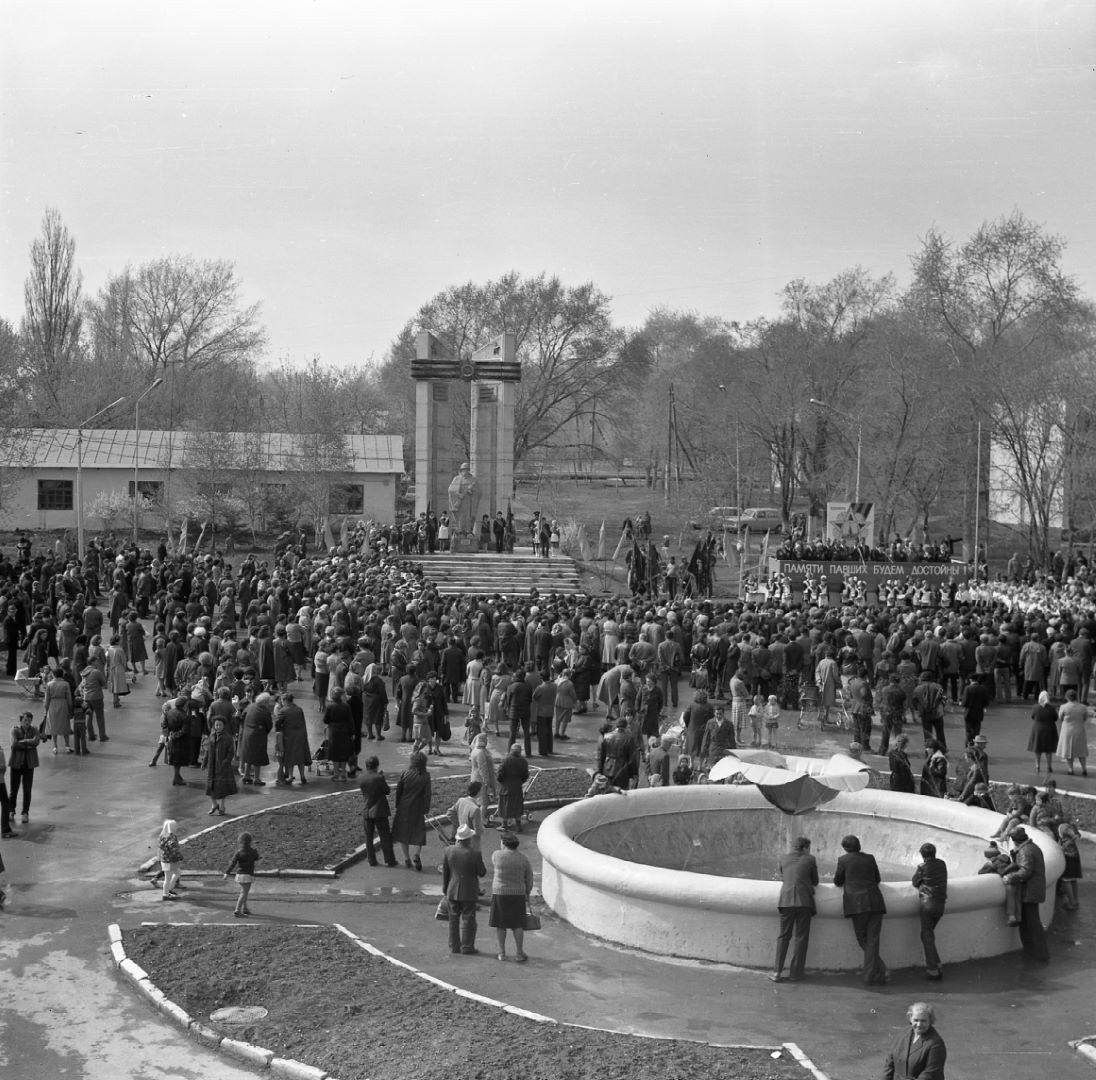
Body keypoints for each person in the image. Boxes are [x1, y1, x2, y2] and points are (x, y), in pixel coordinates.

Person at [833, 834, 888, 985]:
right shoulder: (870, 858)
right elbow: (877, 879)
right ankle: (876, 972)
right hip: (876, 901)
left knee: (862, 939)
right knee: (873, 940)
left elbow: (837, 881)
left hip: (857, 904)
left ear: (845, 848)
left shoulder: (843, 860)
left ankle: (877, 972)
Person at [770, 836, 818, 983]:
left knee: (783, 936)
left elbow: (784, 877)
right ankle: (796, 974)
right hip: (804, 902)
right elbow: (815, 881)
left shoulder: (783, 858)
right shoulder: (810, 859)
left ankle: (777, 972)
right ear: (805, 848)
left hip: (786, 901)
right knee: (801, 938)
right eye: (808, 848)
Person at [1002, 826, 1049, 961]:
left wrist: (1010, 877)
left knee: (1031, 924)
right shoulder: (1032, 847)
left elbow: (1025, 871)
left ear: (1014, 840)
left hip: (1029, 891)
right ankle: (1036, 953)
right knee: (1031, 923)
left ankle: (1038, 954)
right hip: (1033, 890)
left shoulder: (1025, 851)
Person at [442, 822, 487, 955]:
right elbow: (482, 872)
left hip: (452, 889)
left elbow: (446, 872)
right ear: (468, 839)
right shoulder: (475, 853)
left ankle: (454, 946)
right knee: (468, 918)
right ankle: (467, 947)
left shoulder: (448, 851)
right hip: (469, 891)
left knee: (453, 919)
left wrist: (445, 889)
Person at [490, 831, 534, 962]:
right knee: (517, 925)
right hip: (518, 894)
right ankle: (519, 953)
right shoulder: (523, 859)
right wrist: (527, 892)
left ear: (503, 843)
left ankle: (502, 953)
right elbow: (529, 878)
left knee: (501, 924)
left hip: (500, 893)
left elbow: (495, 862)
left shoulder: (497, 855)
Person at [882, 1001, 947, 1080]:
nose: (919, 1024)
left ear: (930, 1021)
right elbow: (890, 1061)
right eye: (916, 1020)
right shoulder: (903, 1034)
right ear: (910, 1019)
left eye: (923, 1021)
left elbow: (930, 1075)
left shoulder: (936, 1044)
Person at [911, 842, 947, 980]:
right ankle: (937, 964)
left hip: (927, 904)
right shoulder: (942, 864)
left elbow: (915, 881)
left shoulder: (922, 867)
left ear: (922, 855)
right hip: (940, 904)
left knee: (927, 936)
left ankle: (933, 970)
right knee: (928, 935)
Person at [392, 750, 431, 870]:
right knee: (419, 831)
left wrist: (397, 804)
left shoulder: (405, 773)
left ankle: (407, 858)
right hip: (418, 807)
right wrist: (426, 808)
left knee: (404, 833)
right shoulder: (425, 776)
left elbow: (399, 790)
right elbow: (427, 794)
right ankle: (416, 854)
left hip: (404, 806)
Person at [359, 756, 398, 868]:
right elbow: (387, 791)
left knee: (368, 837)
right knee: (385, 836)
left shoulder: (361, 777)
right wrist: (381, 777)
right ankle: (390, 860)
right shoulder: (379, 778)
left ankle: (371, 860)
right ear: (376, 765)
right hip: (379, 811)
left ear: (366, 766)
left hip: (367, 810)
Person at [9, 712, 40, 825]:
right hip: (16, 763)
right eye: (26, 720)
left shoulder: (34, 730)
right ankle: (11, 811)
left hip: (29, 764)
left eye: (29, 720)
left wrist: (24, 741)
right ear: (21, 720)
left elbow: (36, 741)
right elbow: (14, 744)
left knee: (27, 790)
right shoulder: (15, 730)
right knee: (14, 789)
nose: (28, 723)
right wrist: (29, 745)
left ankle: (25, 813)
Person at [203, 715, 237, 816]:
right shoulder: (212, 736)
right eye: (216, 725)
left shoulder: (228, 738)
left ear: (224, 726)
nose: (218, 727)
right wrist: (204, 762)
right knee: (210, 787)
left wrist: (225, 762)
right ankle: (214, 805)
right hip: (212, 766)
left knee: (223, 788)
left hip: (222, 766)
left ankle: (222, 806)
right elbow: (207, 751)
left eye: (220, 725)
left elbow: (231, 752)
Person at [223, 831, 260, 917]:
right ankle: (237, 910)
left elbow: (233, 863)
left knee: (244, 892)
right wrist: (255, 852)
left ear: (240, 842)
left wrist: (226, 873)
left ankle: (245, 908)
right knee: (244, 893)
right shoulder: (253, 851)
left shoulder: (238, 852)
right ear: (250, 841)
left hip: (239, 875)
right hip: (248, 875)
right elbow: (257, 858)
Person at [496, 743, 530, 832]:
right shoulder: (523, 761)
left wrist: (501, 781)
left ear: (511, 750)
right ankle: (519, 826)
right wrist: (520, 781)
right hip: (517, 787)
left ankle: (504, 825)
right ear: (520, 751)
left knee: (505, 806)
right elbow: (526, 775)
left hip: (506, 786)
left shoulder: (505, 760)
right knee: (517, 806)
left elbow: (500, 774)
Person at [1055, 688, 1088, 776]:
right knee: (1081, 751)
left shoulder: (1063, 707)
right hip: (1079, 730)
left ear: (1067, 697)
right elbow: (1085, 718)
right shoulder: (1083, 707)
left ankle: (1070, 769)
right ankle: (1084, 769)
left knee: (1068, 750)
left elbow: (1060, 718)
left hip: (1067, 731)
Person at [1028, 691, 1058, 774]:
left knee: (1037, 749)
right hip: (1049, 729)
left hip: (1038, 729)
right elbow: (1055, 718)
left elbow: (1032, 716)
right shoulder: (1052, 708)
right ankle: (1049, 766)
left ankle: (1037, 765)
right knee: (1049, 750)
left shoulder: (1035, 707)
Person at [1057, 822, 1082, 911]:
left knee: (1065, 881)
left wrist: (1060, 850)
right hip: (1075, 861)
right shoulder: (1070, 839)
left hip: (1069, 861)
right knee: (1073, 880)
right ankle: (1075, 901)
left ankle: (1072, 903)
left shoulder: (1066, 841)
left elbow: (1066, 852)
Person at [158, 819, 184, 901]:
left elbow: (161, 847)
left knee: (176, 873)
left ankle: (168, 890)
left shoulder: (162, 835)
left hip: (165, 859)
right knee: (169, 877)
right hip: (171, 860)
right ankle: (166, 894)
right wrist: (179, 857)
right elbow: (174, 849)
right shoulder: (172, 837)